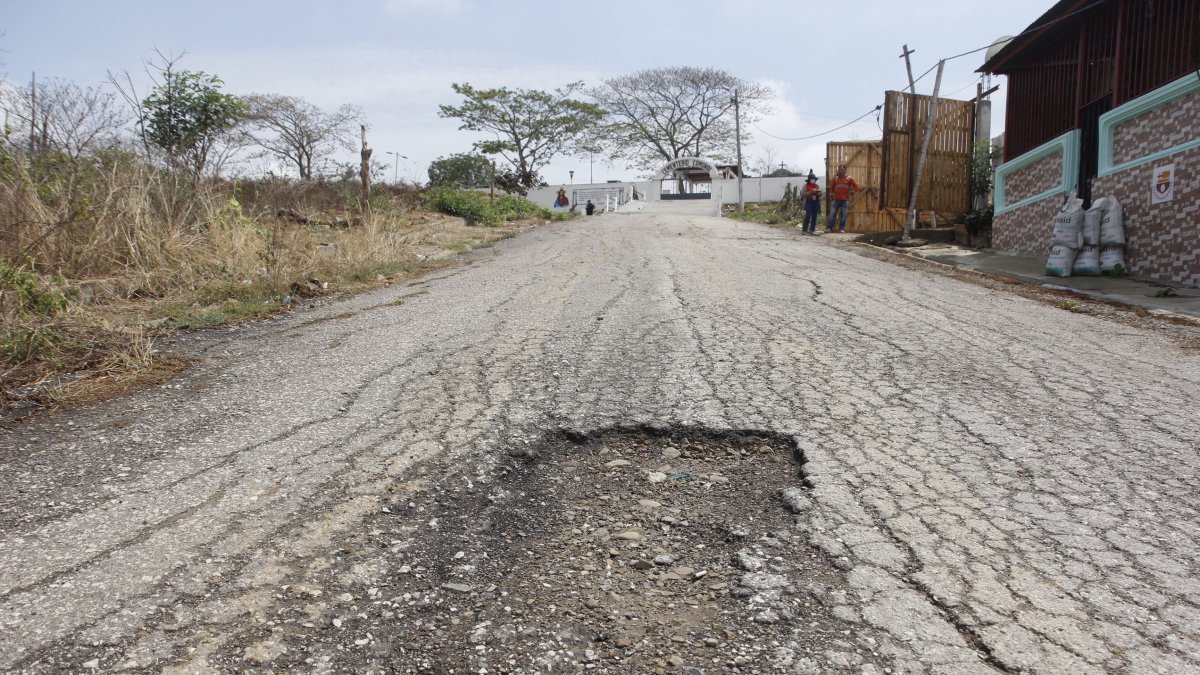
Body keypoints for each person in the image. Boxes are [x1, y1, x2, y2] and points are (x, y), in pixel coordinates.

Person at [825, 165, 860, 232]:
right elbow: (832, 187)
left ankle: (841, 229)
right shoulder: (835, 179)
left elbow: (856, 186)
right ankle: (829, 228)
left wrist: (852, 191)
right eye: (839, 169)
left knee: (844, 215)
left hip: (845, 200)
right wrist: (831, 194)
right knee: (832, 214)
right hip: (836, 199)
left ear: (845, 170)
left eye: (841, 169)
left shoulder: (849, 178)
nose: (840, 170)